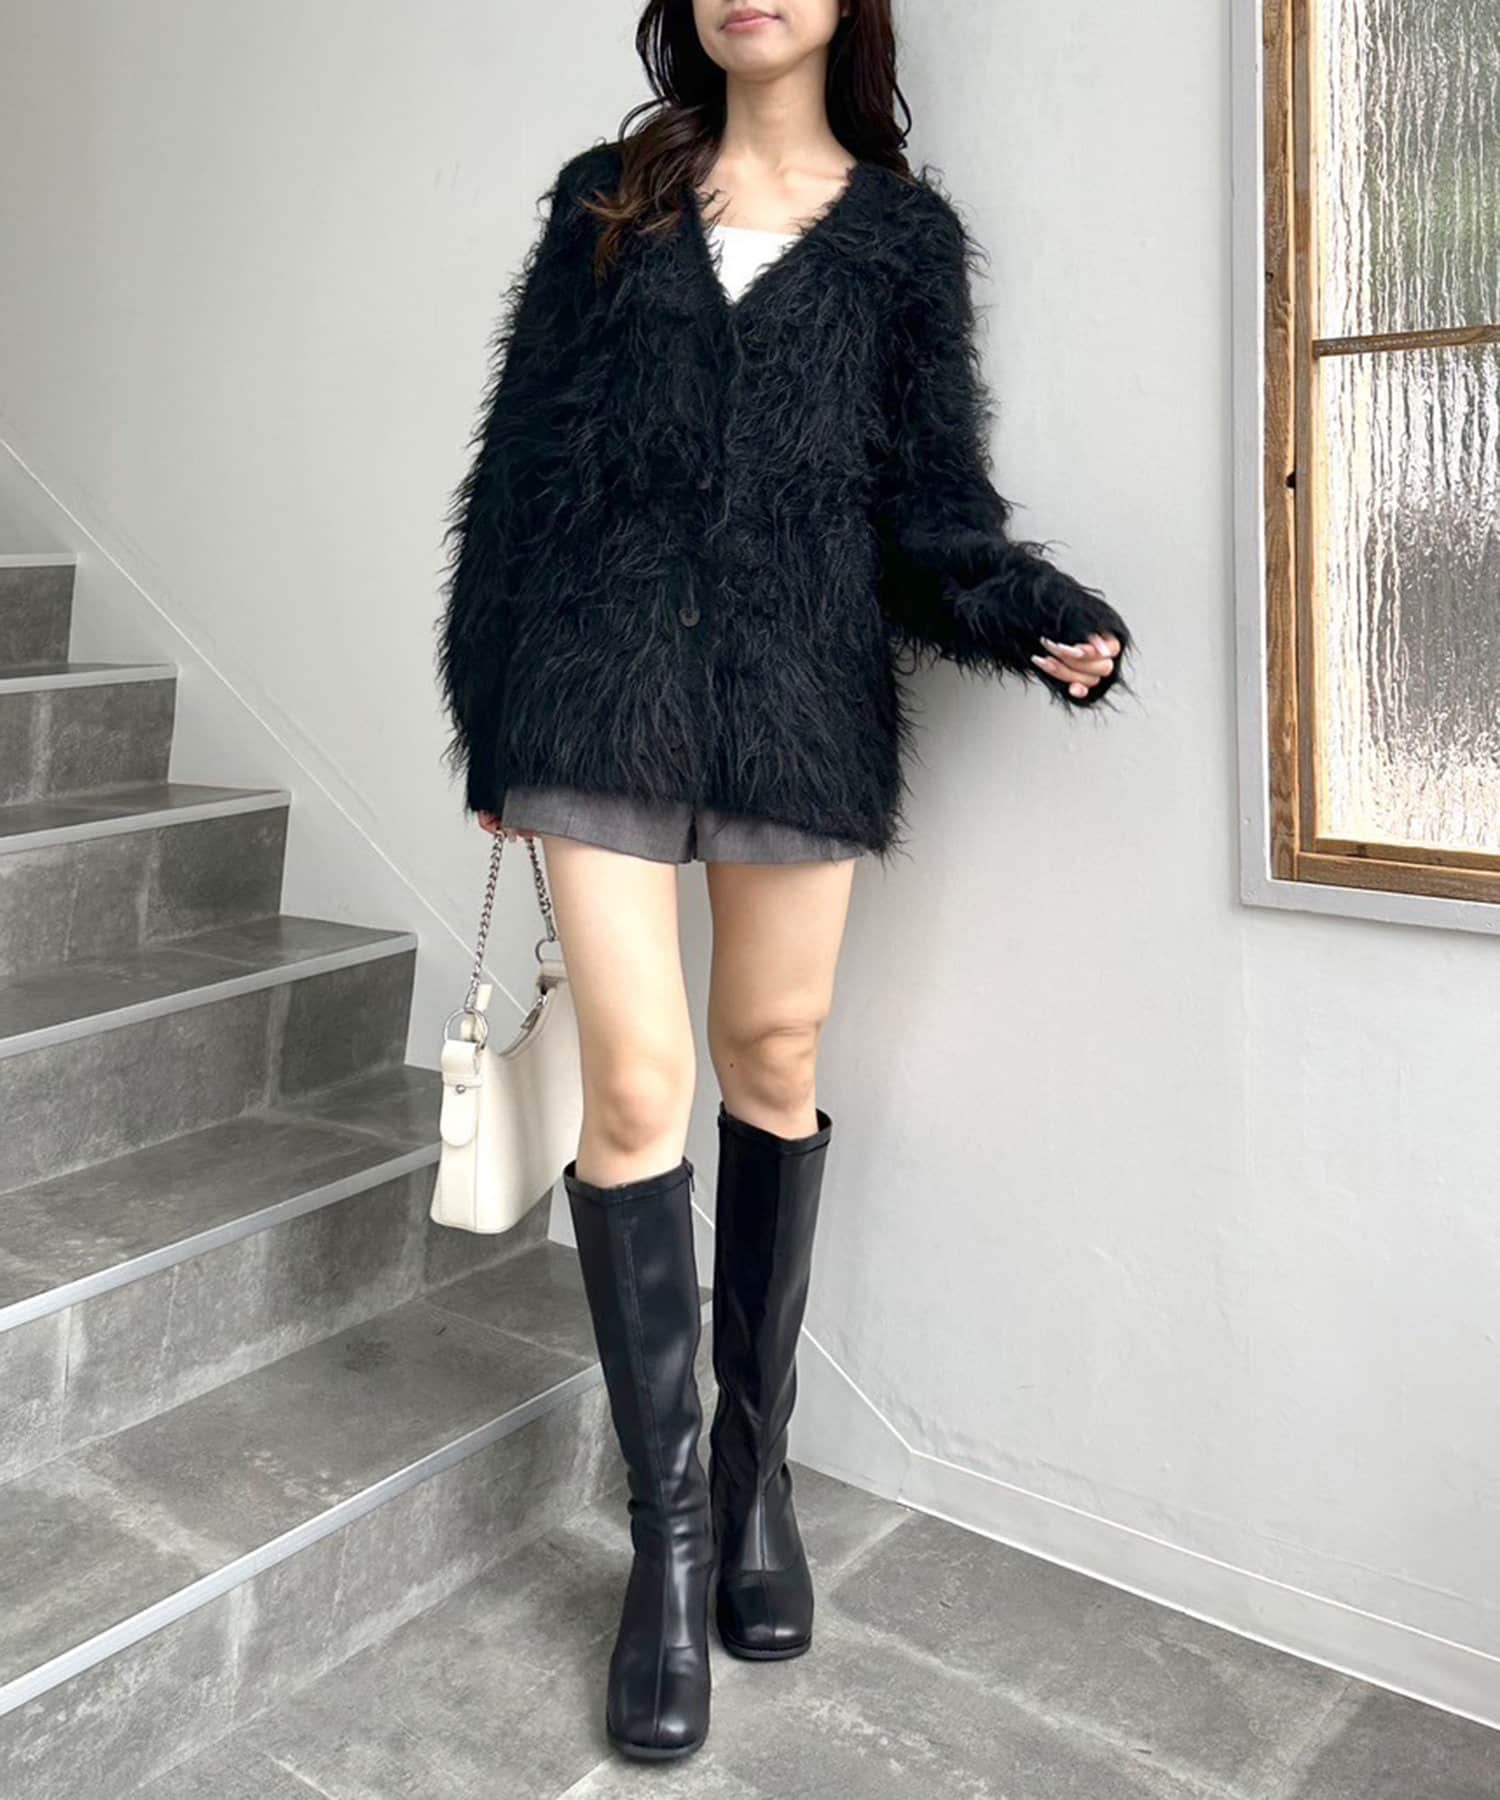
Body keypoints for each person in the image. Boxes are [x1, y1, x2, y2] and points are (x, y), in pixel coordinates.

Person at [436, 0, 1134, 1764]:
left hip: (800, 707)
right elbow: (519, 474)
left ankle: (754, 1482)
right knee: (638, 1083)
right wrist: (489, 719)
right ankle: (668, 1543)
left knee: (773, 1055)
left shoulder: (903, 239)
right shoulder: (606, 201)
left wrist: (1029, 613)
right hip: (590, 688)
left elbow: (930, 512)